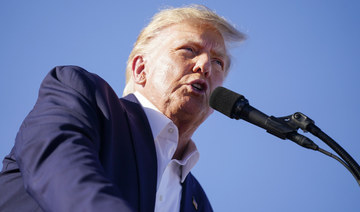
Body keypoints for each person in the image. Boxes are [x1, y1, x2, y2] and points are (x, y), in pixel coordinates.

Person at [0, 5, 245, 212]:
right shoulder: (85, 97)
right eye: (189, 50)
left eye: (218, 62)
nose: (205, 66)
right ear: (140, 69)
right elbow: (59, 171)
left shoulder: (198, 203)